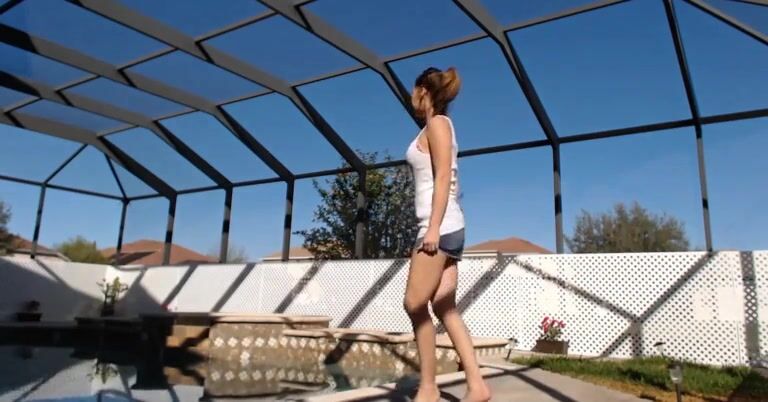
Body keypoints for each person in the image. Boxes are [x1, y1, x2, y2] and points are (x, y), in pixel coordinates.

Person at [404, 67, 491, 402]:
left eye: (414, 90)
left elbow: (443, 178)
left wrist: (433, 229)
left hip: (439, 226)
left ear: (423, 90)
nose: (411, 96)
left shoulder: (438, 124)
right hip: (445, 225)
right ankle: (477, 386)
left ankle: (428, 387)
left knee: (414, 304)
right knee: (444, 307)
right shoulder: (436, 125)